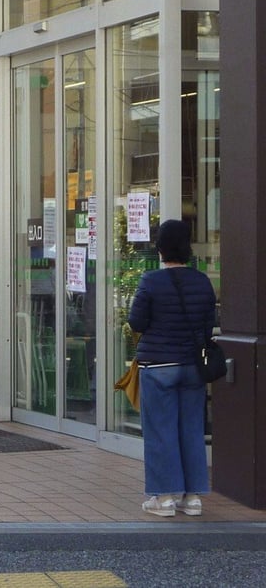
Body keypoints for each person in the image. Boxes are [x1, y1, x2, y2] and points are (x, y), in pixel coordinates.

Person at [128, 219, 216, 518]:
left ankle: (164, 498)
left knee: (160, 431)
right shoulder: (202, 281)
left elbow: (136, 322)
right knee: (191, 429)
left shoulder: (150, 281)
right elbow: (207, 325)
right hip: (193, 366)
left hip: (159, 366)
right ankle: (192, 498)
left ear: (160, 248)